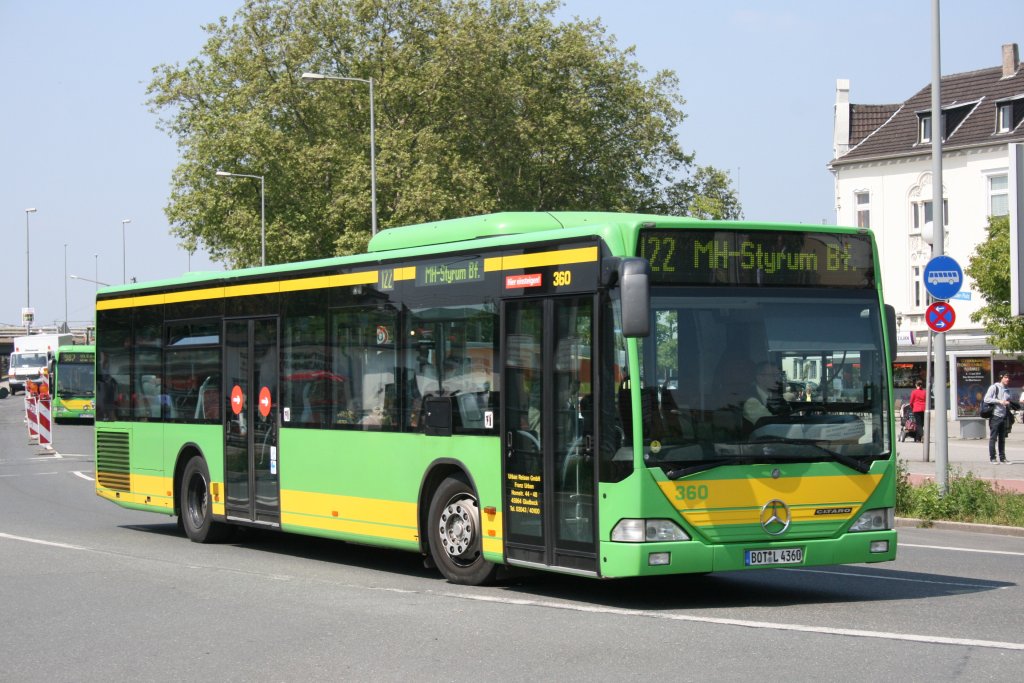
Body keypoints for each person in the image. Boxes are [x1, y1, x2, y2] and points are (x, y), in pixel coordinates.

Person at [983, 373, 1013, 464]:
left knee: (1002, 438)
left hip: (1004, 417)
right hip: (995, 416)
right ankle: (993, 458)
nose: (1008, 379)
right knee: (993, 438)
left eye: (1008, 377)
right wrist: (999, 401)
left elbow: (1008, 401)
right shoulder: (994, 387)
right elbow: (986, 399)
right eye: (1005, 377)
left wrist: (1010, 404)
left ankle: (1002, 458)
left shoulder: (1007, 390)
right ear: (1001, 377)